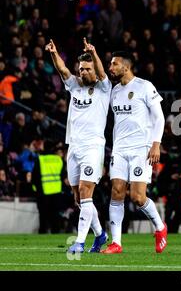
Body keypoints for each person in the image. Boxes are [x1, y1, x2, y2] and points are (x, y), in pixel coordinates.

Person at [46, 38, 109, 253]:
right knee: (79, 198)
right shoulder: (73, 84)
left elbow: (102, 73)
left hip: (93, 147)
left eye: (87, 69)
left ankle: (80, 242)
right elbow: (62, 70)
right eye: (81, 68)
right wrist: (54, 53)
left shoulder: (103, 87)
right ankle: (100, 234)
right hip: (73, 146)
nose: (83, 72)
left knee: (85, 191)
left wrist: (94, 52)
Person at [102, 51, 167, 254]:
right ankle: (116, 243)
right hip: (120, 149)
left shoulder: (144, 86)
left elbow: (159, 118)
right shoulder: (114, 91)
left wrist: (156, 144)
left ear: (126, 67)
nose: (110, 68)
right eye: (110, 64)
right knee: (117, 192)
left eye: (114, 64)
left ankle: (160, 227)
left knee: (138, 198)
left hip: (141, 149)